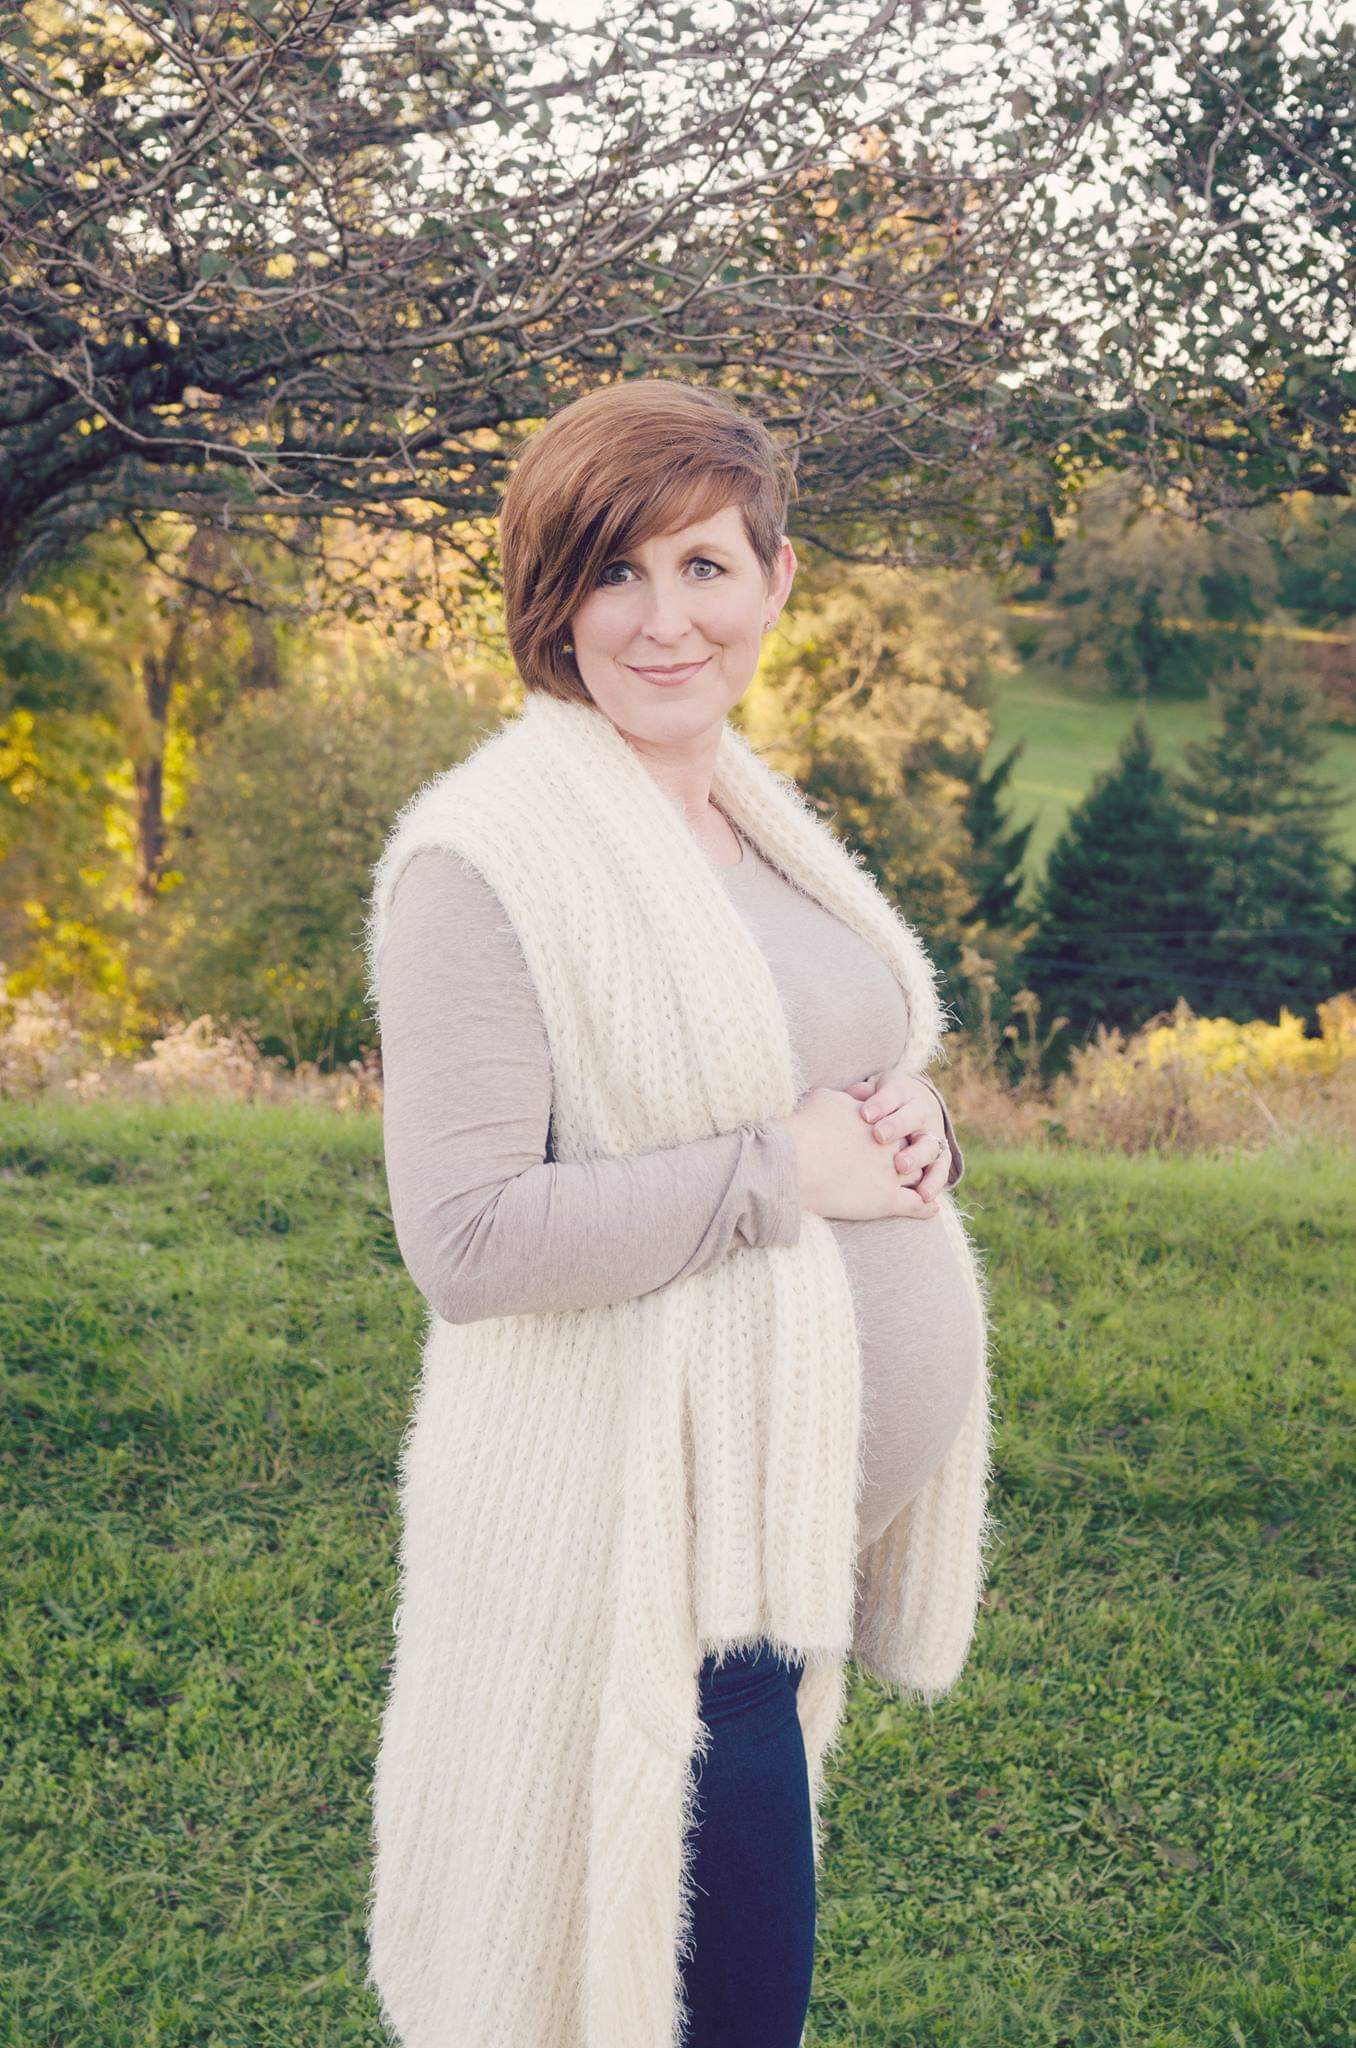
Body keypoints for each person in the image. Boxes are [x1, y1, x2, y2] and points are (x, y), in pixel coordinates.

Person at [365, 378, 993, 2048]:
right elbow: (469, 1239)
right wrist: (785, 1171)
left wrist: (910, 1127)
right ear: (551, 601)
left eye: (705, 566)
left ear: (776, 581)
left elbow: (826, 1066)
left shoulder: (748, 817)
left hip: (761, 1560)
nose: (664, 621)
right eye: (614, 573)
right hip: (646, 1565)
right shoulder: (483, 863)